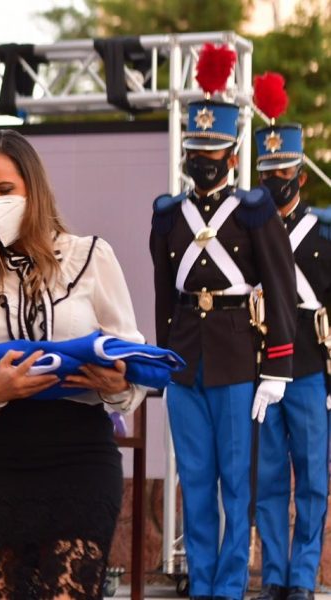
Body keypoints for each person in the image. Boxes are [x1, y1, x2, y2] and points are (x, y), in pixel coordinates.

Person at [0, 129, 147, 599]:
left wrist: (116, 381)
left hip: (77, 458)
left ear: (33, 187)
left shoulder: (92, 258)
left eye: (5, 191)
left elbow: (132, 356)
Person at [149, 93, 297, 599]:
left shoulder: (254, 212)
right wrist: (164, 362)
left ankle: (230, 586)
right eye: (195, 155)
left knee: (237, 482)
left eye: (212, 157)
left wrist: (278, 365)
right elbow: (164, 294)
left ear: (232, 157)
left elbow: (279, 289)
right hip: (187, 355)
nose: (203, 165)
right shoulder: (169, 215)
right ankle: (203, 582)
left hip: (236, 354)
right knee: (195, 480)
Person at [250, 78, 331, 600]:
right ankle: (275, 576)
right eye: (267, 172)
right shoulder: (247, 231)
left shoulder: (324, 235)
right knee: (269, 480)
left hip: (309, 366)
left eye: (283, 170)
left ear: (300, 172)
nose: (277, 179)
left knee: (315, 479)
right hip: (260, 366)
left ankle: (303, 577)